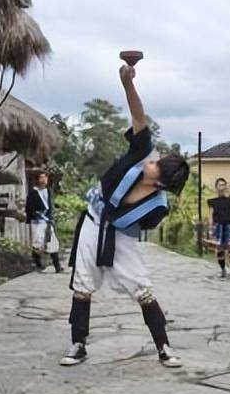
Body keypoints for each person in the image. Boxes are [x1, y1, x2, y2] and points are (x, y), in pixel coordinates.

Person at [61, 62, 191, 368]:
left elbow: (135, 230)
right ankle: (78, 343)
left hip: (122, 236)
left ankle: (164, 347)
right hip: (94, 221)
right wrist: (127, 83)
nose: (151, 162)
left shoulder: (157, 207)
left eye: (156, 166)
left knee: (142, 287)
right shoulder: (140, 153)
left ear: (159, 181)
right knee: (82, 283)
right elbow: (137, 115)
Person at [25, 172, 62, 273]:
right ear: (37, 179)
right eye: (41, 177)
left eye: (45, 177)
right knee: (38, 243)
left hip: (47, 221)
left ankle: (57, 266)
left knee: (52, 242)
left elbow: (50, 207)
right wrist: (36, 214)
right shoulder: (33, 193)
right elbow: (29, 208)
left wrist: (50, 217)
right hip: (37, 222)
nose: (44, 179)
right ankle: (38, 265)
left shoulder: (48, 191)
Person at [205, 178, 230, 277]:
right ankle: (223, 269)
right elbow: (211, 214)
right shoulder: (212, 201)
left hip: (229, 224)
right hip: (218, 225)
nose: (222, 187)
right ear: (216, 187)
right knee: (219, 249)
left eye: (224, 185)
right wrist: (210, 228)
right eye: (220, 185)